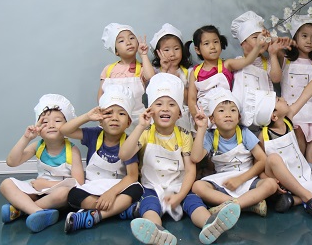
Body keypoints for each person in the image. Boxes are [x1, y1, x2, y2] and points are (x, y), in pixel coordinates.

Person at [119, 74, 240, 245]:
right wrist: (140, 126)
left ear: (179, 113)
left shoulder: (184, 135)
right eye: (159, 104)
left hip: (179, 186)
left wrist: (181, 195)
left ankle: (210, 224)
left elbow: (190, 170)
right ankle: (156, 231)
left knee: (194, 202)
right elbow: (124, 155)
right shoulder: (145, 133)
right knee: (149, 206)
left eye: (171, 104)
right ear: (150, 111)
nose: (165, 109)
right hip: (152, 187)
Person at [241, 58, 312, 217]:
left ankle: (294, 199)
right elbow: (259, 165)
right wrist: (270, 181)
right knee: (273, 158)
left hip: (302, 174)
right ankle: (310, 199)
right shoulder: (264, 137)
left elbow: (306, 93)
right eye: (278, 100)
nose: (283, 99)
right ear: (274, 116)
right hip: (281, 182)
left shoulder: (288, 121)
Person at [59, 85, 144, 233]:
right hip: (93, 187)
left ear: (129, 122)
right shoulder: (93, 135)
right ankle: (119, 210)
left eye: (121, 113)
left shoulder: (129, 143)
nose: (114, 118)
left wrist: (111, 193)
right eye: (109, 113)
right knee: (73, 195)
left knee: (136, 189)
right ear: (100, 120)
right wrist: (87, 117)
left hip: (118, 188)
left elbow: (132, 176)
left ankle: (94, 216)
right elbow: (64, 130)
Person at [0, 94, 83, 232]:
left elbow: (78, 183)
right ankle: (37, 212)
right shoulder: (37, 146)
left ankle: (22, 209)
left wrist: (46, 184)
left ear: (67, 126)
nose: (51, 125)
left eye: (57, 121)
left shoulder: (72, 150)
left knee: (64, 193)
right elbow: (12, 162)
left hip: (57, 193)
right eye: (44, 122)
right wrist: (26, 138)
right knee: (6, 184)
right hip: (38, 190)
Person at [190, 88, 277, 217]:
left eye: (233, 110)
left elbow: (262, 160)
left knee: (271, 184)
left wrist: (240, 179)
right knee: (198, 186)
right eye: (221, 110)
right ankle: (247, 204)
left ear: (239, 117)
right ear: (212, 119)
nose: (228, 114)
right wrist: (202, 128)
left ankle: (230, 206)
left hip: (247, 178)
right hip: (223, 182)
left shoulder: (244, 133)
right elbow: (195, 158)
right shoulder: (210, 136)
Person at [186, 25, 268, 120]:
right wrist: (197, 118)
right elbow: (192, 99)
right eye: (206, 43)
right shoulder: (195, 72)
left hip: (225, 115)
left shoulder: (227, 64)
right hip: (203, 116)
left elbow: (247, 61)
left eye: (215, 42)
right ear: (197, 50)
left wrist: (258, 46)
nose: (212, 47)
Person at [280, 15, 312, 167]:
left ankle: (309, 166)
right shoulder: (285, 58)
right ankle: (299, 166)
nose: (309, 41)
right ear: (295, 37)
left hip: (311, 107)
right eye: (304, 36)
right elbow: (270, 44)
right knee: (298, 130)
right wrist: (286, 42)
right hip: (291, 107)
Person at [229, 11, 293, 109]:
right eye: (255, 37)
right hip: (241, 110)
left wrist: (273, 54)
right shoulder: (238, 62)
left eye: (264, 37)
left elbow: (276, 79)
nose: (261, 40)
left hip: (264, 111)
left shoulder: (267, 62)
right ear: (243, 43)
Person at [99, 23, 156, 127]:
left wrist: (143, 55)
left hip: (137, 119)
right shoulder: (108, 69)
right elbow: (101, 93)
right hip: (114, 118)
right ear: (116, 51)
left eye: (131, 38)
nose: (128, 42)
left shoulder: (142, 67)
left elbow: (150, 77)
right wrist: (102, 112)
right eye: (121, 41)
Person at [150, 23, 194, 132]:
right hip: (161, 116)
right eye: (166, 50)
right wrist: (165, 72)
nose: (172, 54)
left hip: (183, 117)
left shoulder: (189, 72)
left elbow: (189, 100)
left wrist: (177, 82)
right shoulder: (155, 72)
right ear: (158, 53)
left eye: (176, 49)